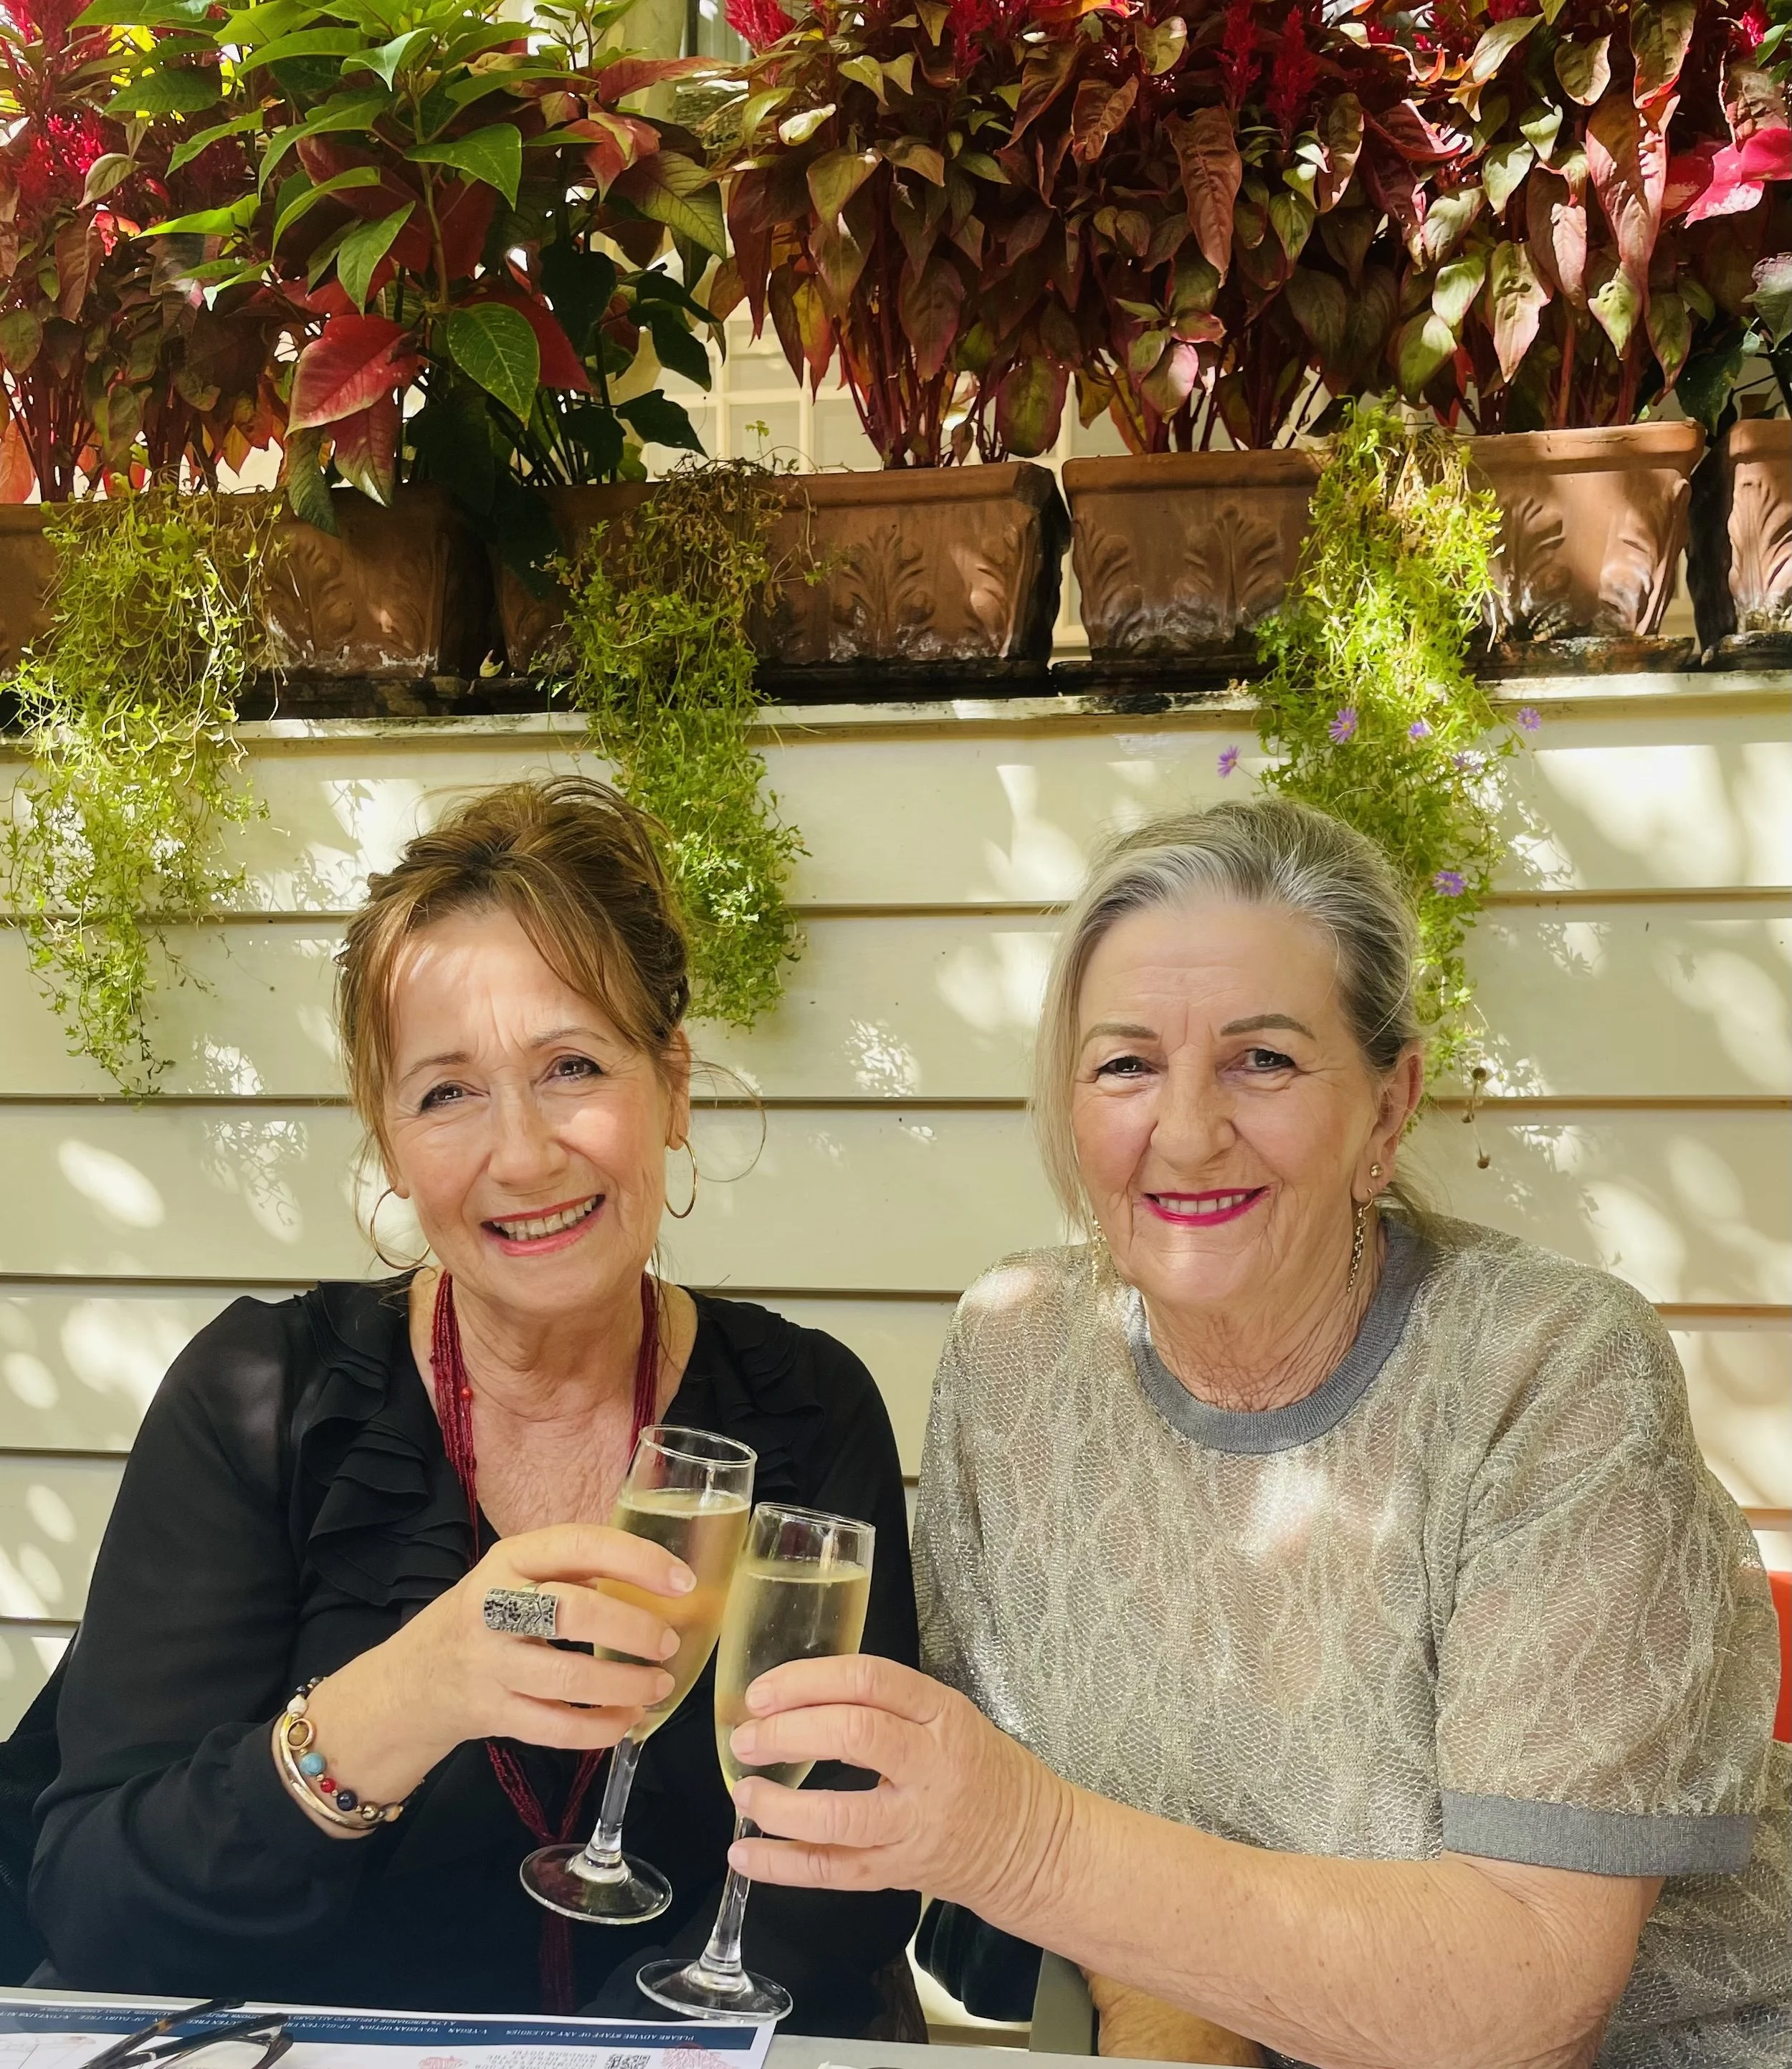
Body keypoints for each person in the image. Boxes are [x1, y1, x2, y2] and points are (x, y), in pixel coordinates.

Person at [715, 797, 1788, 2068]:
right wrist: (1173, 1999)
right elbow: (1017, 1886)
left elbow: (1528, 2002)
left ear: (1389, 1111)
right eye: (1125, 1064)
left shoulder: (1550, 1372)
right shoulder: (1012, 1355)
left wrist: (1032, 1843)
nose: (1183, 1130)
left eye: (1263, 1060)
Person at [29, 778, 920, 2032]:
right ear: (390, 1141)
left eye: (571, 1066)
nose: (522, 1153)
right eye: (447, 1091)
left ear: (671, 1085)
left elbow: (839, 1885)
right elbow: (100, 1903)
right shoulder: (264, 1404)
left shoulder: (807, 1411)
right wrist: (406, 1695)